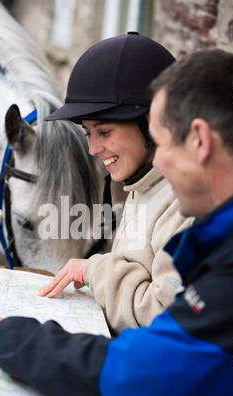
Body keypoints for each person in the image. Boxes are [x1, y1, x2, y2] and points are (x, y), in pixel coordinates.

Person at [0, 48, 233, 396]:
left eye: (164, 142)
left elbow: (144, 374)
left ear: (201, 141)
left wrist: (6, 336)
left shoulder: (222, 252)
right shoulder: (198, 224)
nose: (161, 164)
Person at [38, 32, 190, 335]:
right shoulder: (142, 179)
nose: (93, 149)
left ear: (152, 122)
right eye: (88, 133)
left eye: (104, 132)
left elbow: (165, 316)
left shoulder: (185, 203)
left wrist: (94, 269)